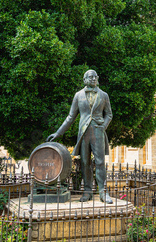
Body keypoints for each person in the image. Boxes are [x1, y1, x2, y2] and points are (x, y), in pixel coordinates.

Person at [47, 70, 113, 203]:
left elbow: (109, 114)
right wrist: (58, 133)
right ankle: (87, 191)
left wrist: (103, 126)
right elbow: (70, 117)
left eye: (95, 76)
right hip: (83, 133)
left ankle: (103, 192)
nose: (93, 79)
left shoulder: (104, 95)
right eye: (90, 77)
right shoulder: (78, 95)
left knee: (100, 162)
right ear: (84, 80)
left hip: (98, 132)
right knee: (85, 163)